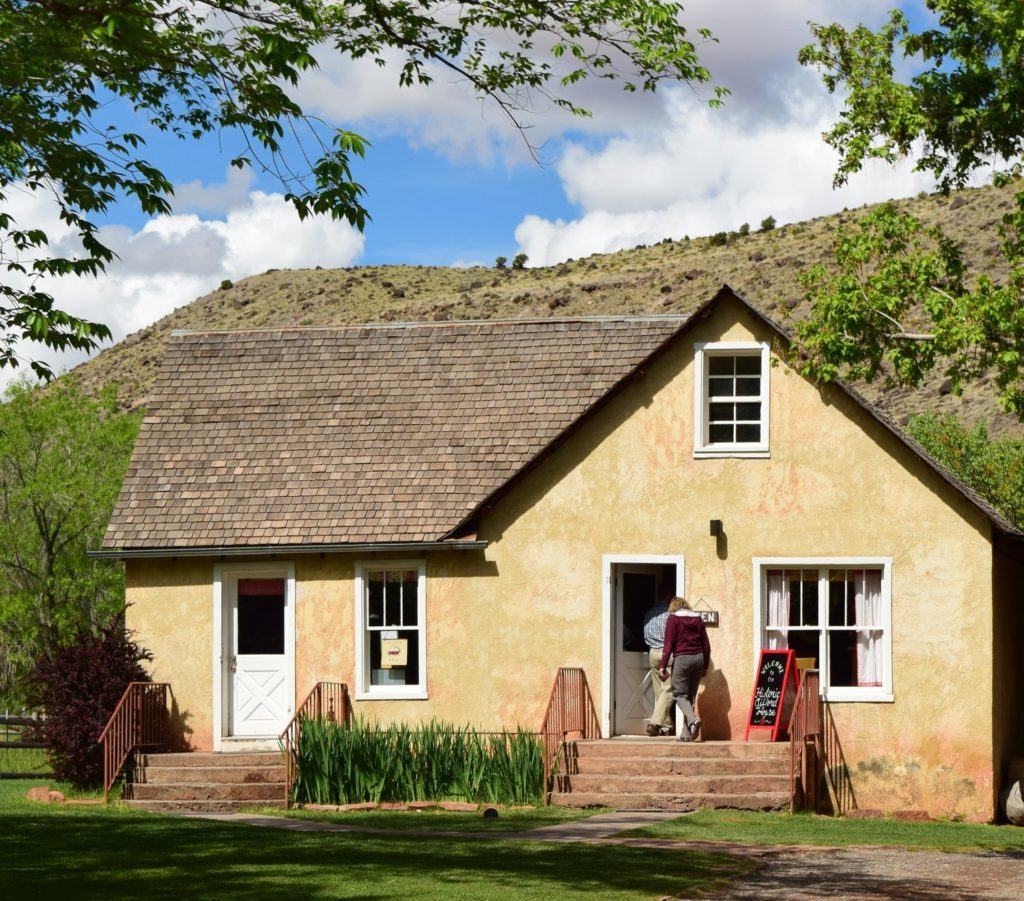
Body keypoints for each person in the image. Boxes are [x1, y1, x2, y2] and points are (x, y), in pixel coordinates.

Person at [659, 597, 711, 741]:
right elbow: (706, 645)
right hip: (698, 657)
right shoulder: (698, 619)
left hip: (682, 658)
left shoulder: (673, 618)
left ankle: (693, 721)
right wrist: (705, 664)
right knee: (690, 696)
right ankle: (686, 735)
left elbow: (668, 644)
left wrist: (663, 665)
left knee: (679, 694)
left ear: (673, 606)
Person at [642, 594, 674, 737]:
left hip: (653, 652)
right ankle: (654, 723)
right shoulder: (670, 614)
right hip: (667, 654)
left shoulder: (650, 613)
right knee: (669, 689)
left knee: (659, 690)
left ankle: (667, 727)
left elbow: (645, 634)